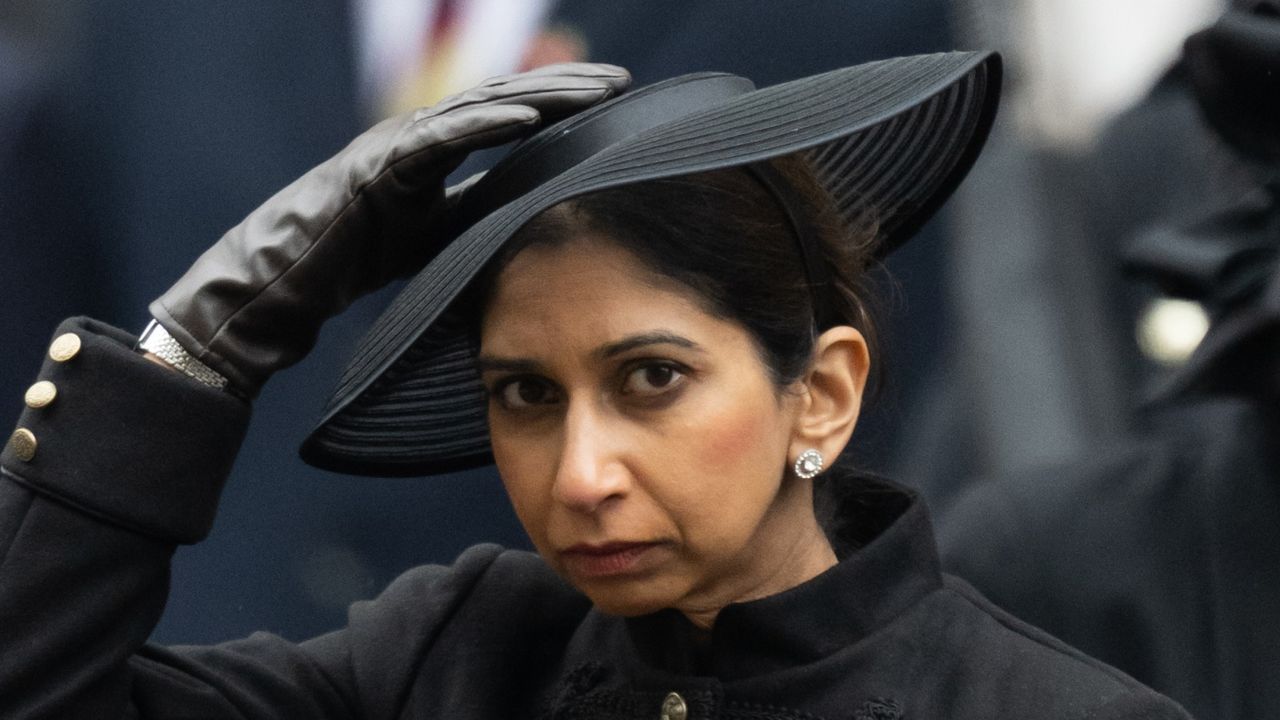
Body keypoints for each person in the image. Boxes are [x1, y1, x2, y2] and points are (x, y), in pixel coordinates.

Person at [0, 57, 1190, 719]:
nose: (580, 475)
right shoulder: (454, 657)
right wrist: (199, 346)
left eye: (651, 379)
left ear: (819, 393)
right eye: (524, 395)